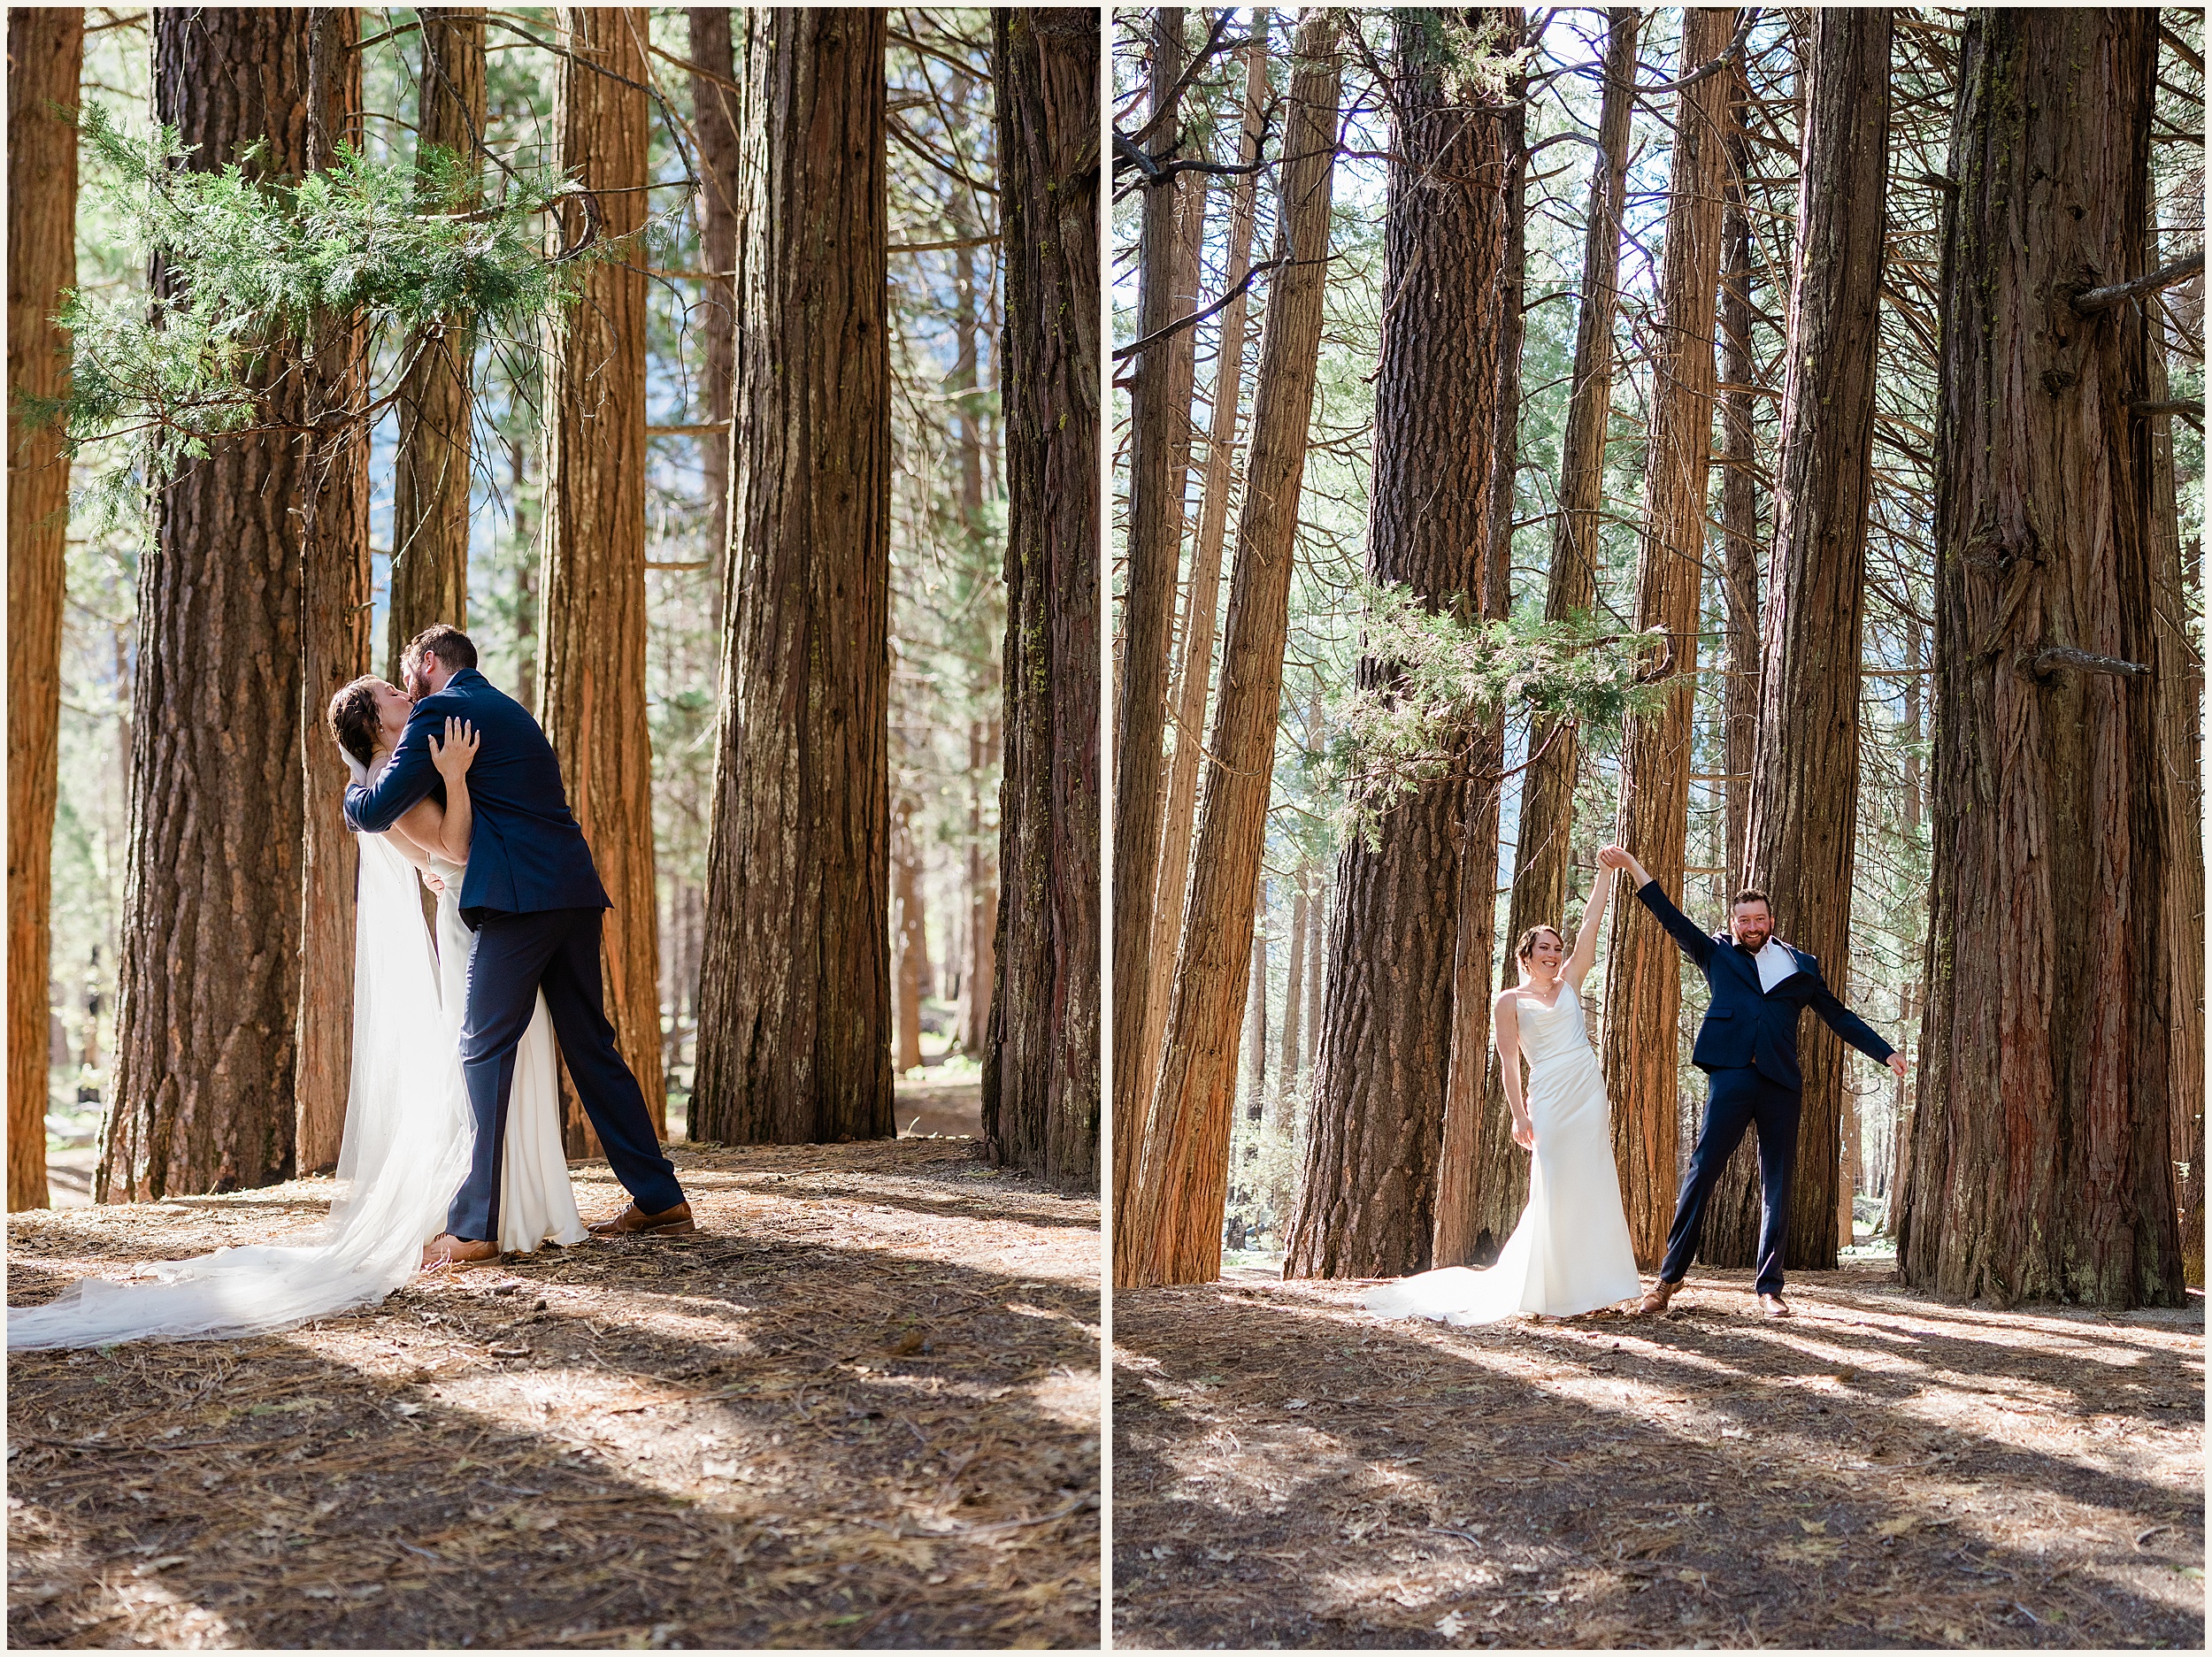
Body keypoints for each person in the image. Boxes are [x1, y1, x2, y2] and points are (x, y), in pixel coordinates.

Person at [8, 672, 581, 1350]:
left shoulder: (398, 769)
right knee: (486, 1060)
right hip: (471, 924)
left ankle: (512, 1203)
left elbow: (440, 853)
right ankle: (495, 1208)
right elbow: (453, 848)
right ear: (375, 720)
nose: (408, 694)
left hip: (481, 912)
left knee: (506, 1054)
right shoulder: (384, 778)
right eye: (393, 695)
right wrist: (454, 778)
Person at [344, 625, 691, 1266]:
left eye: (405, 676)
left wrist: (350, 795)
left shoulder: (442, 711)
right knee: (591, 1046)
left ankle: (475, 1226)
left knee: (481, 1047)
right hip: (573, 892)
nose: (406, 691)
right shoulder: (507, 708)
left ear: (427, 665)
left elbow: (376, 807)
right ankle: (659, 1195)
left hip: (518, 903)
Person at [1597, 845, 1907, 1318]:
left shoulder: (1802, 966)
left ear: (1771, 919)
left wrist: (1885, 1052)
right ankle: (1667, 1279)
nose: (1752, 926)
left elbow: (1838, 1016)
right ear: (1734, 921)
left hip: (1781, 1082)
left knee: (1777, 1184)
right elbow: (1667, 914)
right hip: (1731, 1075)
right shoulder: (1715, 952)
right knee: (1702, 1172)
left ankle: (1769, 1288)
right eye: (1743, 919)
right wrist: (1634, 867)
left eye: (1758, 918)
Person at [1360, 856, 1642, 1324]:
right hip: (1549, 1095)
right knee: (1551, 1184)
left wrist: (1606, 875)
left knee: (1591, 1182)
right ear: (1525, 955)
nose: (1553, 955)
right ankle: (1545, 1290)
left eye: (1557, 948)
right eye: (1544, 949)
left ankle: (1594, 1286)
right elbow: (1510, 1063)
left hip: (1586, 1092)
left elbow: (1593, 921)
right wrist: (1520, 1115)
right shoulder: (1508, 1001)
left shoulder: (1571, 981)